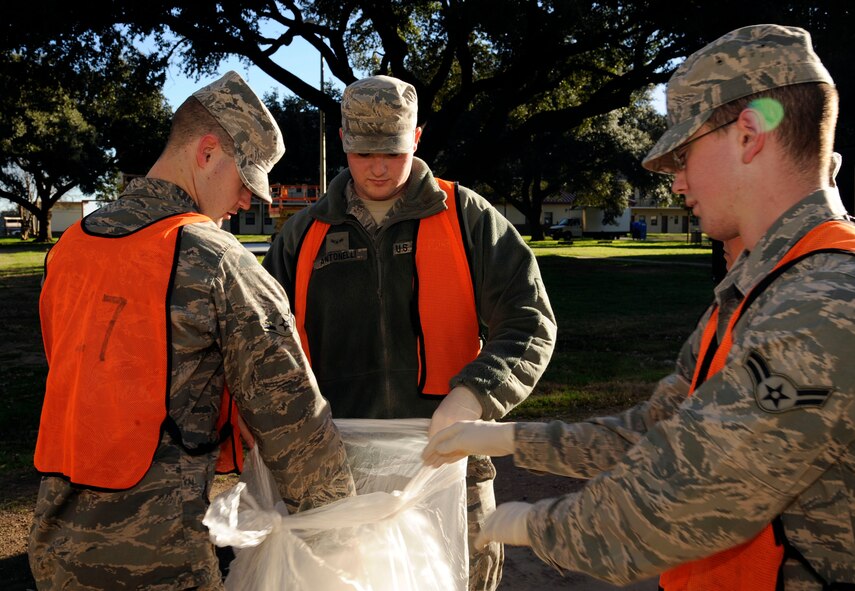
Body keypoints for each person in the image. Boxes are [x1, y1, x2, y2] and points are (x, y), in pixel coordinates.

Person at [423, 24, 855, 589]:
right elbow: (653, 433)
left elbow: (687, 496)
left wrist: (531, 524)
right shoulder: (769, 285)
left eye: (683, 155)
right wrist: (507, 439)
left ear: (749, 134)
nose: (677, 183)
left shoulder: (821, 301)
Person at [29, 71, 356, 590]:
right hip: (158, 558)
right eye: (245, 181)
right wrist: (346, 535)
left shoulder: (69, 249)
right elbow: (297, 428)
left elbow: (95, 374)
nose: (250, 201)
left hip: (55, 546)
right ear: (207, 153)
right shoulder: (217, 259)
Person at [262, 74, 557, 591]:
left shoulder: (466, 217)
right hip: (333, 479)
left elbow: (529, 320)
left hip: (447, 470)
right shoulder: (301, 235)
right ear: (343, 140)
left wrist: (475, 394)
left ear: (417, 139)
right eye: (362, 152)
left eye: (393, 153)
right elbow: (262, 350)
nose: (378, 168)